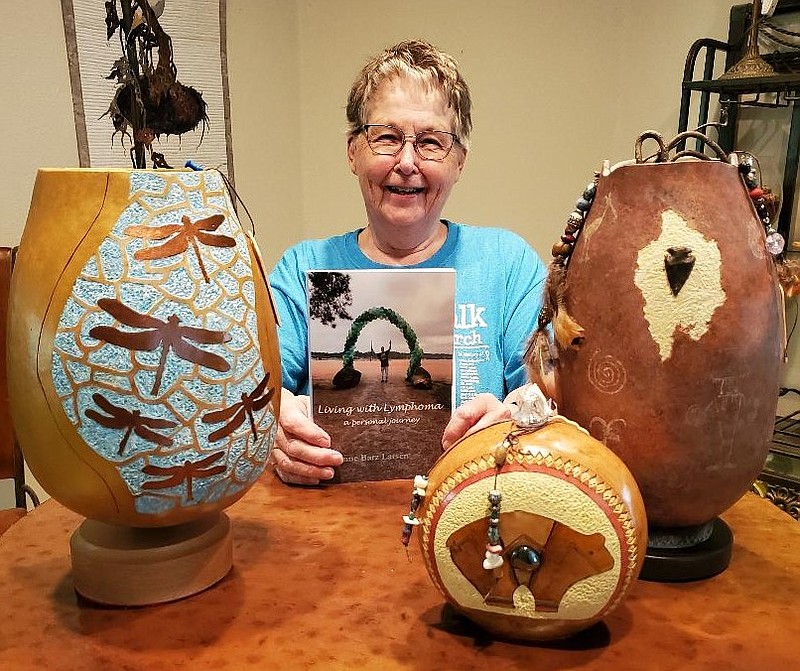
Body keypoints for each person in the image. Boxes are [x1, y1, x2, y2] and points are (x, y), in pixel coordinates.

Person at [268, 39, 547, 485]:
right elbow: (251, 388)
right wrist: (275, 424)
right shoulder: (301, 267)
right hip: (330, 518)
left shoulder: (509, 265)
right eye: (387, 137)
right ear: (353, 151)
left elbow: (551, 388)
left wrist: (517, 417)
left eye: (431, 142)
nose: (407, 162)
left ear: (459, 161)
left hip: (478, 511)